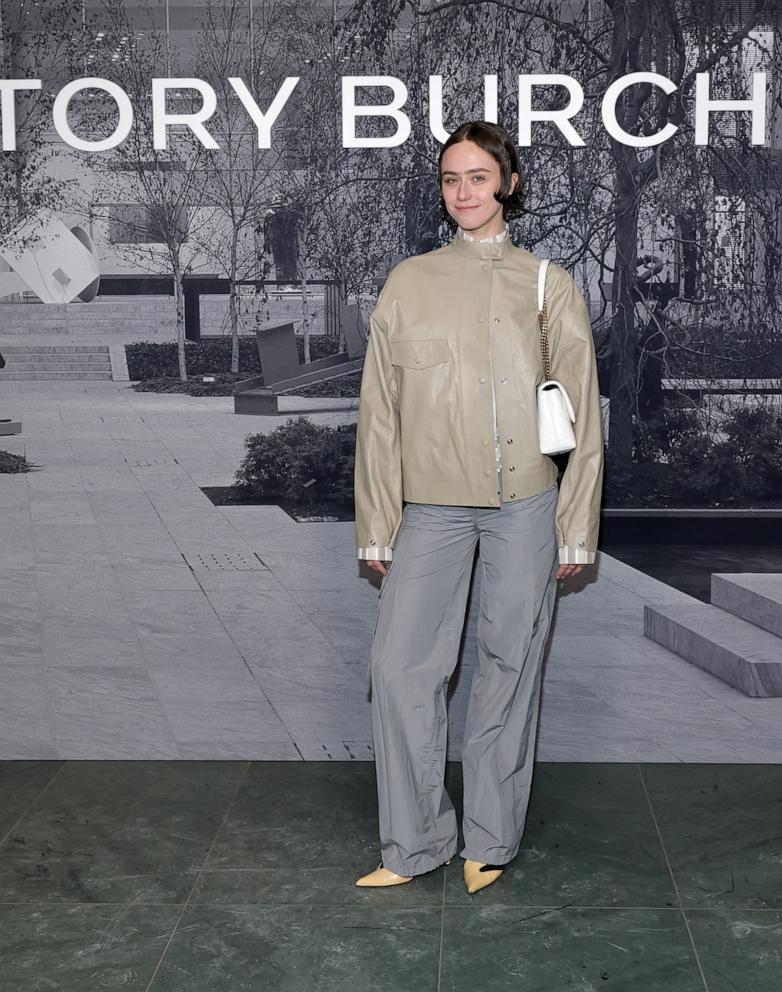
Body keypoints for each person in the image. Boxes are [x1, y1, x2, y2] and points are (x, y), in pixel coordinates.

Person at [353, 120, 604, 894]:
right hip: (429, 509)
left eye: (478, 177)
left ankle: (489, 838)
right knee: (400, 669)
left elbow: (581, 417)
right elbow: (380, 412)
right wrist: (376, 524)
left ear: (509, 184)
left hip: (524, 505)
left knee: (508, 665)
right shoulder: (409, 280)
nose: (464, 192)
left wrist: (575, 525)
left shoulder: (545, 284)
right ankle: (416, 841)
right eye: (451, 179)